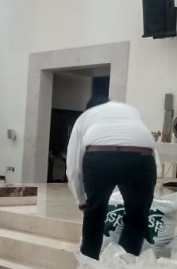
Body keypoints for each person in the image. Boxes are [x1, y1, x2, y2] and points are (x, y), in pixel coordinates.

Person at [65, 95, 156, 260]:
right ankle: (125, 266)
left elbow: (73, 164)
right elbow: (150, 146)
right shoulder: (132, 111)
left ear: (89, 108)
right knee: (137, 216)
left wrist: (82, 201)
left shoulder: (85, 117)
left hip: (100, 157)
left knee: (95, 214)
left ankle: (90, 267)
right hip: (142, 157)